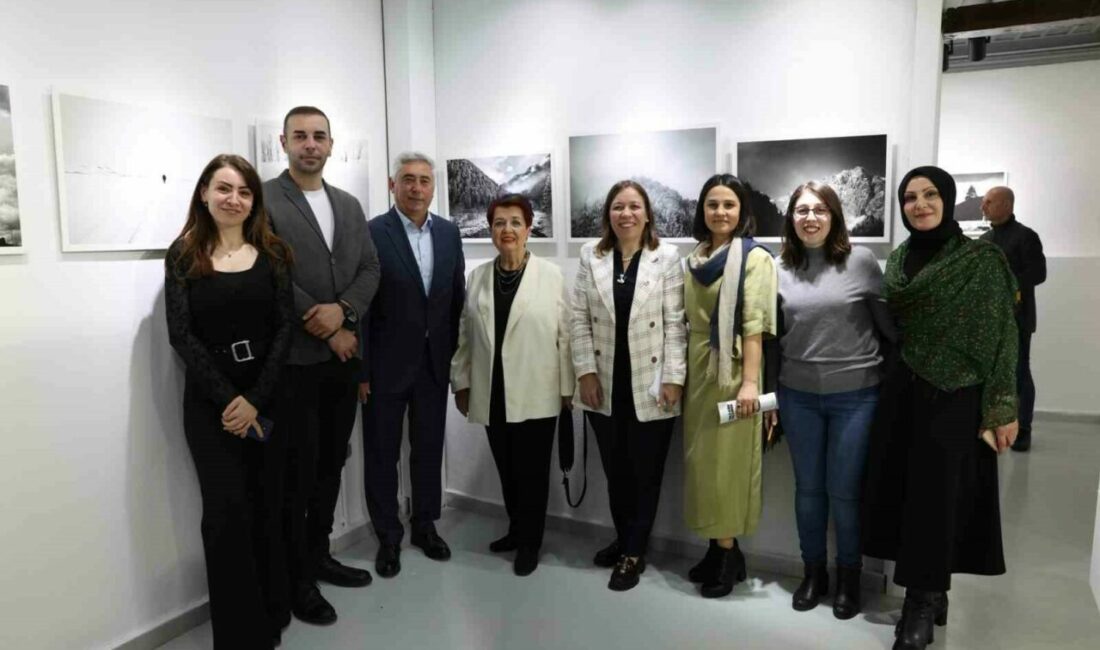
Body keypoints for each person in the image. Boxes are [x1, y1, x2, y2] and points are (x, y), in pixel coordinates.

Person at [862, 166, 1018, 650]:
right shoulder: (901, 259)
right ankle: (933, 588)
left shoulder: (981, 260)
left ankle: (920, 605)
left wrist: (1002, 406)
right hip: (903, 392)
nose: (920, 205)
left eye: (930, 195)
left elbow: (1003, 337)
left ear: (947, 200)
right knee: (908, 495)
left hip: (955, 395)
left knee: (937, 499)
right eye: (910, 198)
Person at [165, 154, 295, 648]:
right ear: (204, 193)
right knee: (224, 513)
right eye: (224, 189)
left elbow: (284, 328)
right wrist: (231, 401)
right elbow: (181, 335)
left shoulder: (275, 253)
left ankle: (272, 610)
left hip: (267, 395)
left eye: (243, 192)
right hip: (210, 406)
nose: (233, 199)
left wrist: (256, 400)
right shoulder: (182, 256)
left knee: (269, 504)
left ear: (253, 202)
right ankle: (240, 633)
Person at [264, 106, 380, 626]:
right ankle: (296, 578)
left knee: (332, 462)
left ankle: (319, 554)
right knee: (298, 470)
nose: (310, 145)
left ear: (331, 145)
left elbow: (368, 267)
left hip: (342, 361)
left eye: (319, 137)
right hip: (297, 361)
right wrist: (330, 325)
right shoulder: (264, 199)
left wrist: (346, 312)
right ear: (283, 142)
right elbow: (267, 270)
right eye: (300, 136)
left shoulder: (349, 205)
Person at [775, 181, 895, 618]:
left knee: (844, 493)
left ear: (835, 216)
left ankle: (849, 577)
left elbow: (889, 329)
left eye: (820, 210)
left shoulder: (861, 261)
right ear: (790, 218)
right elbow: (770, 337)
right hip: (798, 397)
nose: (810, 217)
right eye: (802, 210)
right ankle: (814, 572)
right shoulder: (778, 267)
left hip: (856, 398)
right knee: (808, 491)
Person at [449, 194, 574, 576]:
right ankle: (516, 529)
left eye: (515, 222)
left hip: (538, 391)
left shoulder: (550, 276)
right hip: (492, 391)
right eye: (499, 223)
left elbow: (566, 335)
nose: (507, 230)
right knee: (507, 469)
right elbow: (466, 335)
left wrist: (568, 389)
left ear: (529, 228)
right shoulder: (478, 277)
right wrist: (461, 382)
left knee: (533, 472)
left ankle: (530, 543)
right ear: (490, 230)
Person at [571, 180, 686, 592]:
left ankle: (633, 553)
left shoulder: (667, 257)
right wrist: (584, 373)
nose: (626, 214)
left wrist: (674, 378)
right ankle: (625, 540)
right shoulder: (591, 256)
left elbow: (676, 324)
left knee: (645, 474)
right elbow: (578, 319)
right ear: (608, 214)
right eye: (618, 207)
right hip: (604, 384)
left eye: (634, 206)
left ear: (647, 213)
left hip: (651, 386)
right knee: (615, 472)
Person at [360, 151, 466, 579]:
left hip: (432, 364)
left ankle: (425, 524)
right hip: (384, 367)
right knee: (382, 454)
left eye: (424, 180)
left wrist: (454, 360)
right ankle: (388, 536)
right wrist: (361, 370)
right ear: (393, 185)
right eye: (408, 179)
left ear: (433, 187)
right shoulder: (372, 233)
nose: (416, 188)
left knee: (428, 449)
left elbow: (455, 298)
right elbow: (362, 307)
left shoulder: (449, 232)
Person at [682, 173, 778, 599]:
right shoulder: (697, 258)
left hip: (735, 370)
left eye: (729, 205)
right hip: (699, 370)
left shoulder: (755, 259)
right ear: (702, 210)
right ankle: (719, 550)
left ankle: (726, 555)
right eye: (712, 204)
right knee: (702, 465)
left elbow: (755, 325)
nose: (720, 212)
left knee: (728, 467)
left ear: (742, 212)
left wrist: (750, 385)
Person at [981, 186, 1046, 452]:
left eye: (989, 202)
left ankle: (1024, 429)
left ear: (1006, 205)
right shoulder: (985, 239)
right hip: (989, 319)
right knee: (990, 372)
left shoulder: (1026, 237)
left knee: (1019, 371)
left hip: (1018, 319)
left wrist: (1006, 286)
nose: (983, 206)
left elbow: (1038, 274)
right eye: (983, 202)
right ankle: (994, 424)